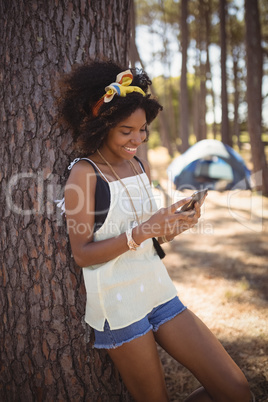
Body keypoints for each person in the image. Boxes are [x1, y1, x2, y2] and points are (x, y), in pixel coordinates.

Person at [57, 60, 252, 402]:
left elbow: (149, 236)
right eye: (126, 131)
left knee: (235, 389)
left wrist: (174, 226)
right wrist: (146, 229)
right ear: (102, 126)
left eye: (142, 129)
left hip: (159, 293)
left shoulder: (138, 164)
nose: (138, 139)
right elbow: (82, 253)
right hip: (118, 306)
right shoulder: (84, 175)